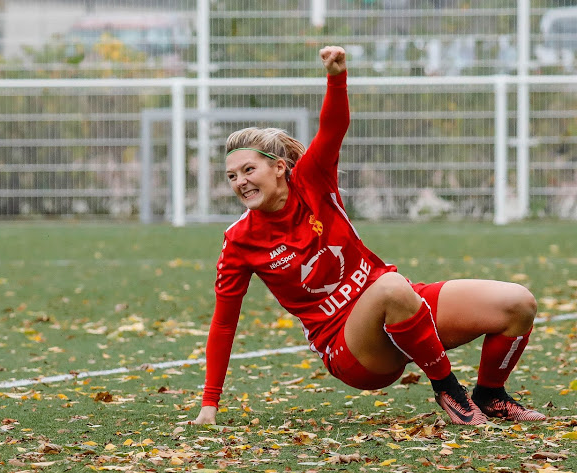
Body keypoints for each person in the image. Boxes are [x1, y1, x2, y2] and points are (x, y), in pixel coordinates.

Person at [191, 45, 545, 427]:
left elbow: (333, 128)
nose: (240, 182)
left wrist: (336, 77)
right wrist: (209, 405)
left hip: (400, 305)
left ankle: (490, 394)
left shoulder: (312, 181)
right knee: (392, 287)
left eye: (247, 169)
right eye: (232, 176)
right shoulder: (239, 240)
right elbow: (224, 323)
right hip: (352, 351)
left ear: (279, 168)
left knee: (518, 304)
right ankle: (449, 391)